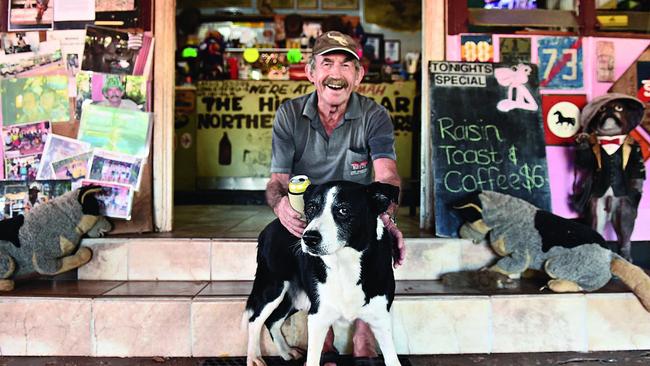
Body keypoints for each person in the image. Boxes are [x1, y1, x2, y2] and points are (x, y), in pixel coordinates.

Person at [265, 31, 406, 363]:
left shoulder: (374, 115)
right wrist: (281, 206)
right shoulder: (289, 114)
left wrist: (388, 218)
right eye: (327, 63)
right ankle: (323, 326)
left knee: (376, 237)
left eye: (346, 65)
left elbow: (387, 175)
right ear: (312, 72)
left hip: (353, 212)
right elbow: (277, 182)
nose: (336, 73)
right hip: (310, 210)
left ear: (358, 76)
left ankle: (364, 330)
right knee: (309, 239)